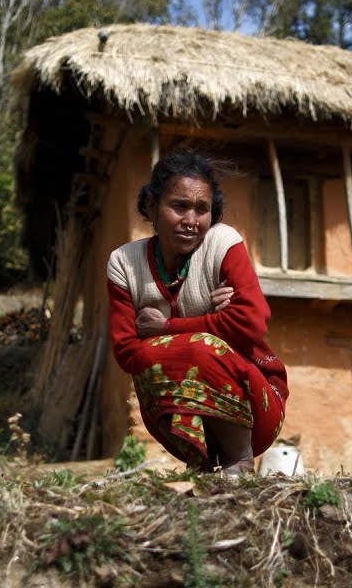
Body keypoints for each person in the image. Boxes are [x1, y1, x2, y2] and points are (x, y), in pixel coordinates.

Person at [106, 151, 288, 476]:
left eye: (202, 209)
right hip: (170, 405)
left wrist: (166, 327)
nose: (191, 221)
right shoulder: (124, 264)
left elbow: (251, 323)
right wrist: (216, 323)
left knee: (201, 349)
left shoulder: (222, 243)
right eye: (179, 206)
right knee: (153, 360)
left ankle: (239, 462)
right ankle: (205, 467)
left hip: (258, 402)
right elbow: (127, 353)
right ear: (151, 207)